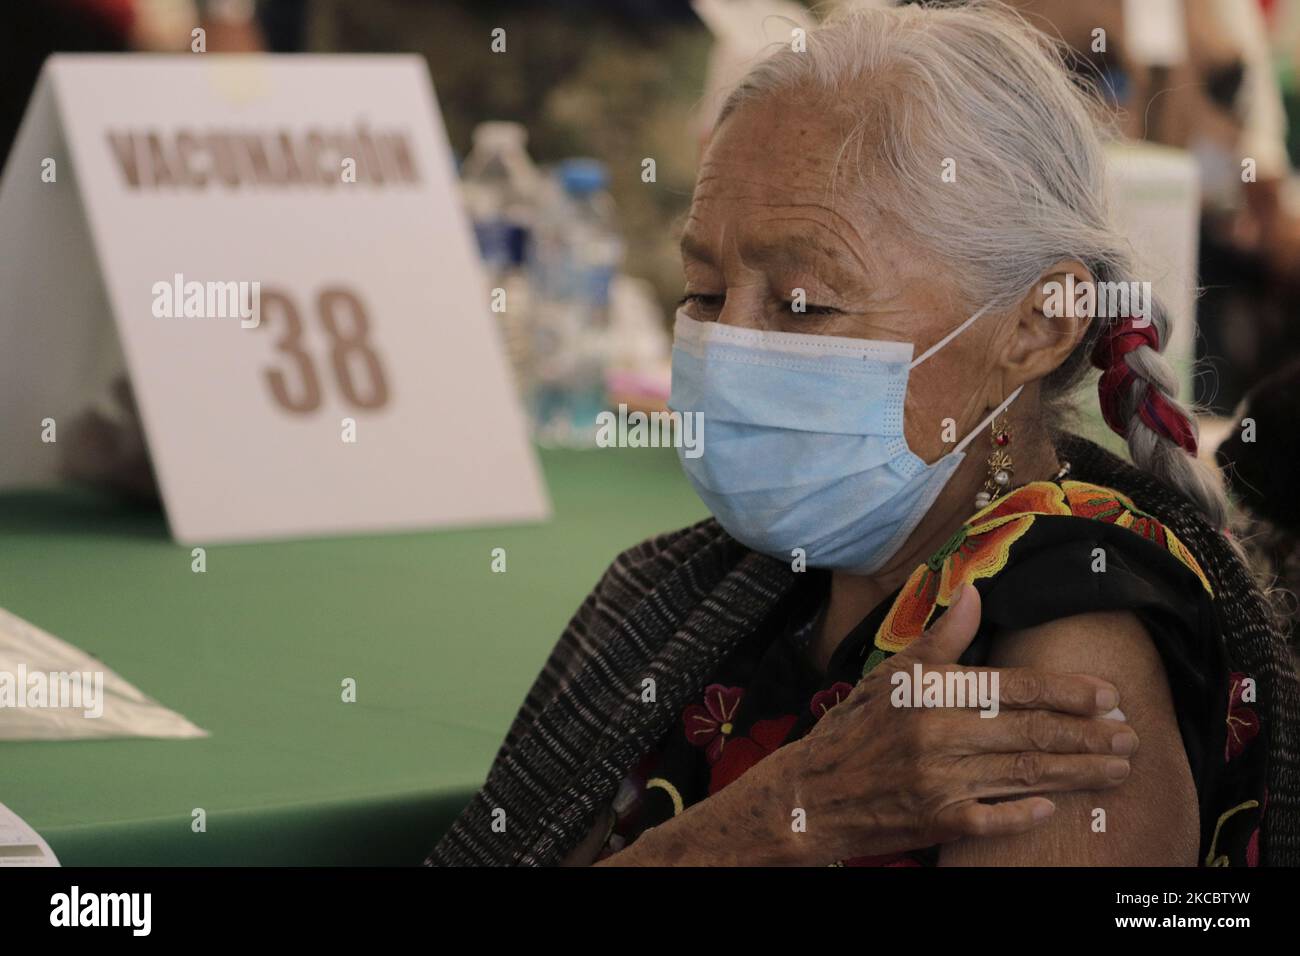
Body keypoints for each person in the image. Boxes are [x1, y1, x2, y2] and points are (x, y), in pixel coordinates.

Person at [429, 0, 1299, 867]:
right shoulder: (702, 589)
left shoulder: (1061, 673)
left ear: (1037, 325)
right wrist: (767, 821)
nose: (729, 343)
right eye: (702, 291)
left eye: (805, 303)